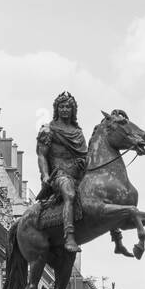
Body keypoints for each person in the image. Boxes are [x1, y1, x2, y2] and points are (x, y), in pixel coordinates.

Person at [34, 91, 88, 253]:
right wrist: (45, 175)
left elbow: (84, 155)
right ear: (56, 109)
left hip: (78, 173)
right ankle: (69, 236)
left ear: (73, 110)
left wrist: (83, 162)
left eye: (68, 107)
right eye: (61, 106)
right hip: (60, 174)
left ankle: (116, 236)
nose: (65, 109)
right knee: (69, 193)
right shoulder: (48, 130)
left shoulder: (78, 133)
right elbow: (42, 155)